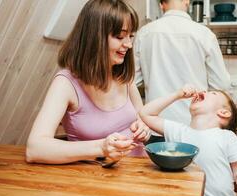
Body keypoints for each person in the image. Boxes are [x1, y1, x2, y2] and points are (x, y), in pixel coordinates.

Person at [26, 0, 150, 164]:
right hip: (96, 180)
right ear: (94, 37)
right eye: (120, 36)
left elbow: (142, 119)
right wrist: (101, 148)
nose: (128, 44)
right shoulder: (66, 83)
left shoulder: (125, 77)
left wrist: (144, 129)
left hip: (140, 172)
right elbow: (35, 149)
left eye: (131, 36)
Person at [140, 84, 237, 196]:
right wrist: (178, 94)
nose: (204, 91)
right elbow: (145, 113)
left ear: (223, 113)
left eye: (212, 93)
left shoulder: (227, 137)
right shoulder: (178, 131)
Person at [134, 0, 231, 125]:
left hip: (155, 123)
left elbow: (132, 81)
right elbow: (221, 83)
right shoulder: (204, 34)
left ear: (161, 5)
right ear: (187, 1)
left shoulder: (144, 33)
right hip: (194, 124)